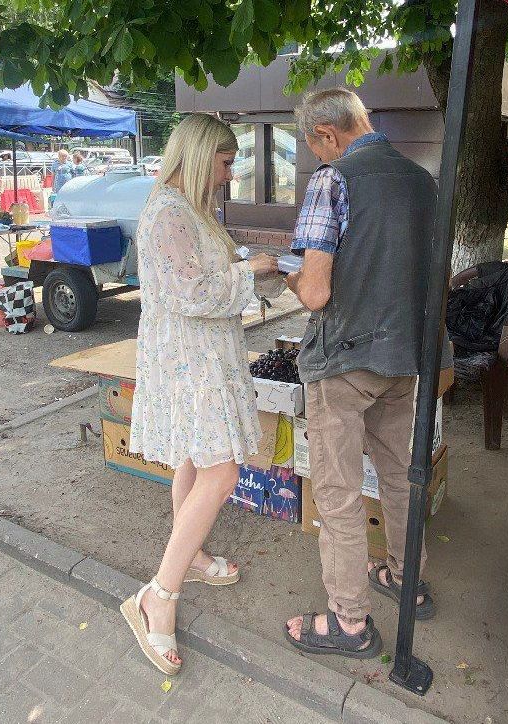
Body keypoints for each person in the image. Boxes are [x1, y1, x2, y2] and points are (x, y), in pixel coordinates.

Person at [121, 114, 282, 676]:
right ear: (197, 155)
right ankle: (157, 596)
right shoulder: (168, 212)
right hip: (191, 359)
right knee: (222, 472)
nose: (230, 171)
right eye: (226, 160)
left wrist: (242, 269)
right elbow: (194, 293)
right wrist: (251, 270)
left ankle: (187, 558)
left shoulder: (187, 209)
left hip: (200, 354)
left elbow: (196, 279)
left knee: (194, 459)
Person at [283, 88, 439, 658]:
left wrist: (290, 277)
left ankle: (348, 623)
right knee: (401, 476)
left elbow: (317, 292)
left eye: (314, 147)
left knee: (339, 494)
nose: (317, 159)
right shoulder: (423, 182)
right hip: (405, 359)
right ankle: (407, 581)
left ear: (327, 133)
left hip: (345, 361)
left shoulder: (333, 181)